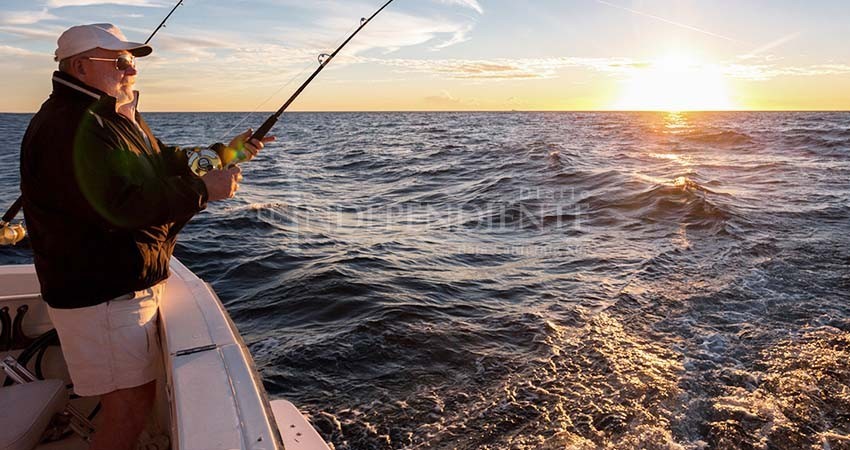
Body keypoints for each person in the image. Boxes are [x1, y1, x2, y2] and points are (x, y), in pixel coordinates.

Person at [18, 23, 275, 450]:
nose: (130, 71)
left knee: (133, 402)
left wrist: (224, 154)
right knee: (129, 408)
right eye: (120, 62)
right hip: (102, 294)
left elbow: (161, 162)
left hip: (116, 288)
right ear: (80, 67)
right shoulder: (68, 127)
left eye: (133, 63)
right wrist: (203, 191)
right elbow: (121, 206)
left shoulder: (109, 117)